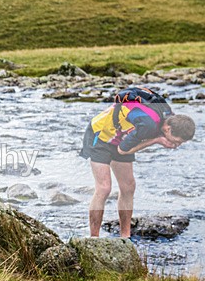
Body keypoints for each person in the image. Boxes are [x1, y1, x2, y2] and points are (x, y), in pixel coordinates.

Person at [80, 90, 195, 238]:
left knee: (128, 187)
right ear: (168, 129)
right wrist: (156, 141)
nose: (176, 145)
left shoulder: (167, 115)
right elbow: (122, 151)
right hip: (99, 135)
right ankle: (93, 239)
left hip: (121, 135)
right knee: (104, 188)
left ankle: (125, 237)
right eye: (177, 141)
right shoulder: (147, 126)